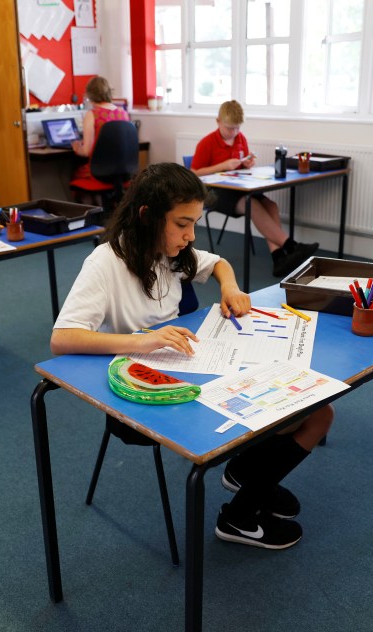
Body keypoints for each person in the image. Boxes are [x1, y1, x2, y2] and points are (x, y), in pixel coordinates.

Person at [51, 162, 334, 550]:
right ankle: (239, 515)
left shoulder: (169, 249)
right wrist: (142, 340)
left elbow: (218, 262)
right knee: (308, 416)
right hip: (148, 393)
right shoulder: (106, 261)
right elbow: (62, 338)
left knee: (314, 410)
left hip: (193, 369)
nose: (190, 235)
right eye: (183, 224)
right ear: (147, 215)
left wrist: (230, 287)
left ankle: (246, 473)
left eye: (195, 224)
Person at [190, 100, 319, 278]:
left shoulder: (240, 139)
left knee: (270, 205)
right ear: (218, 121)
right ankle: (291, 246)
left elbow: (242, 167)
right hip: (213, 193)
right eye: (229, 128)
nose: (234, 132)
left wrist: (247, 164)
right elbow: (194, 173)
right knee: (250, 204)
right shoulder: (207, 143)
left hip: (238, 188)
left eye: (237, 128)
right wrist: (223, 165)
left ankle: (278, 258)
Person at [70, 76, 131, 181]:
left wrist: (76, 148)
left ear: (89, 95)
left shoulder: (92, 114)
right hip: (123, 173)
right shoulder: (123, 113)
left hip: (98, 173)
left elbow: (86, 151)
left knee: (67, 175)